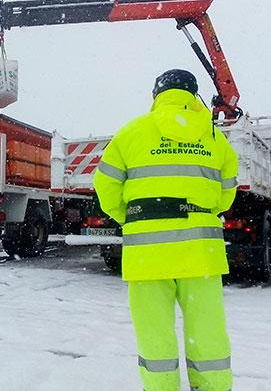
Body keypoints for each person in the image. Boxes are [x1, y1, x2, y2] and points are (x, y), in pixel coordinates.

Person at [93, 69, 238, 391]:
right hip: (201, 251)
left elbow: (105, 185)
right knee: (208, 327)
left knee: (153, 330)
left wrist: (131, 217)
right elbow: (226, 193)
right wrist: (200, 213)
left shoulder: (132, 132)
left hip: (147, 252)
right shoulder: (215, 138)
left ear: (156, 95)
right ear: (193, 95)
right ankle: (213, 386)